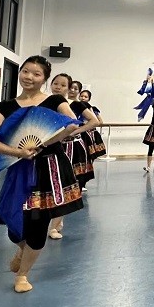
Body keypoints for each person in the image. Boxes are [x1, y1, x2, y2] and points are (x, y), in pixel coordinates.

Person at [0, 56, 82, 293]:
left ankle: (23, 274)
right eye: (26, 71)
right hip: (19, 169)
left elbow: (72, 124)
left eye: (36, 74)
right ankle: (23, 248)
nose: (29, 77)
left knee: (38, 222)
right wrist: (17, 152)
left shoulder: (55, 101)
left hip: (49, 169)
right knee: (10, 218)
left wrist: (45, 142)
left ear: (44, 79)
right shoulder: (5, 107)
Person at [48, 74, 98, 240]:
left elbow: (94, 121)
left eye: (63, 85)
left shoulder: (76, 104)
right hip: (50, 147)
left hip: (72, 148)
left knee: (66, 184)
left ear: (69, 89)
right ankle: (53, 221)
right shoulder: (46, 102)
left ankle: (56, 224)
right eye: (55, 83)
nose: (58, 87)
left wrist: (75, 131)